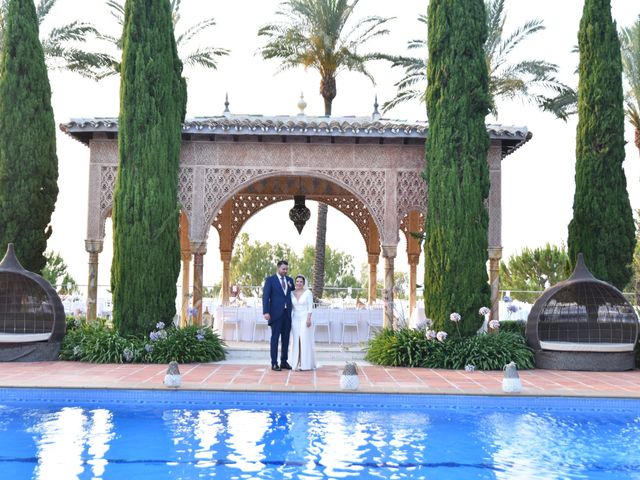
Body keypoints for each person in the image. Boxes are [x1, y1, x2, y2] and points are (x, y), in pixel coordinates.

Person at [262, 260, 294, 371]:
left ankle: (284, 361)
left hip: (287, 314)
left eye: (286, 269)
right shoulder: (270, 280)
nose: (285, 271)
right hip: (275, 314)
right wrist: (266, 311)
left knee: (286, 339)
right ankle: (274, 363)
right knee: (275, 339)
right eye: (283, 269)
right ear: (278, 268)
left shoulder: (290, 280)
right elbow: (266, 297)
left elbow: (294, 295)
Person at [290, 275, 317, 371]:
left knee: (304, 340)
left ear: (304, 283)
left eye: (301, 281)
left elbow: (310, 307)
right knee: (295, 340)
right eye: (297, 281)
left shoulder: (308, 293)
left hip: (305, 318)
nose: (299, 283)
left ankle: (305, 364)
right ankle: (295, 363)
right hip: (295, 319)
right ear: (295, 282)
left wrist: (309, 319)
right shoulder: (291, 293)